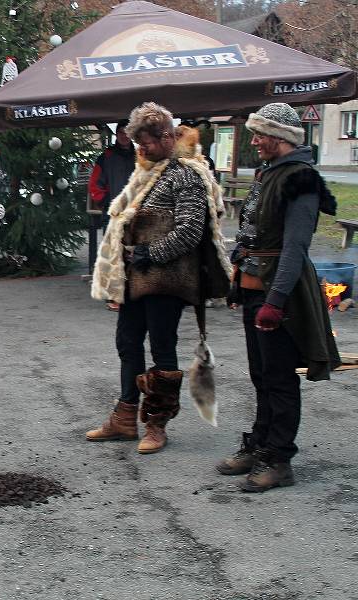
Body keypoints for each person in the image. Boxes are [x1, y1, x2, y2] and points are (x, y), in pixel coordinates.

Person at [87, 102, 231, 454]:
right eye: (137, 143)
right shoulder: (147, 172)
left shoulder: (186, 174)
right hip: (137, 279)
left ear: (167, 136)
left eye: (147, 142)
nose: (141, 149)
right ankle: (124, 418)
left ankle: (156, 423)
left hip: (167, 281)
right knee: (127, 343)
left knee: (162, 348)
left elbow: (190, 232)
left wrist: (150, 253)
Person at [217, 102, 339, 492]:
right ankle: (260, 445)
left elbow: (294, 247)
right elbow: (253, 235)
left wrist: (275, 300)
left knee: (280, 378)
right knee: (261, 375)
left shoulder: (301, 179)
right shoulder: (268, 174)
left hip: (280, 292)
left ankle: (279, 459)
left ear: (281, 137)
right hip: (256, 286)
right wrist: (240, 284)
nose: (254, 141)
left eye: (260, 134)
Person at [89, 119, 137, 311]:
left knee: (134, 252)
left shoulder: (140, 156)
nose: (124, 136)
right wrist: (106, 201)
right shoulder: (106, 156)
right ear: (116, 134)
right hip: (114, 213)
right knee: (113, 253)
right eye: (121, 133)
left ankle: (133, 291)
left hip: (135, 212)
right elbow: (94, 185)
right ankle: (113, 294)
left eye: (127, 133)